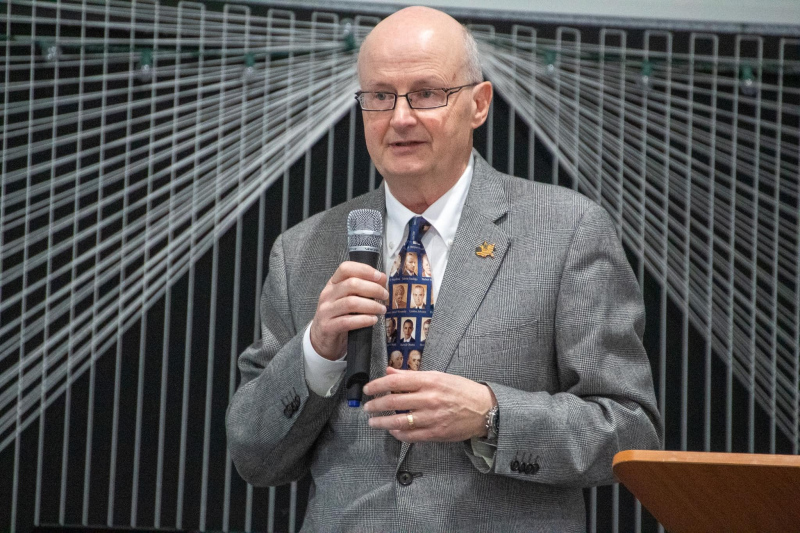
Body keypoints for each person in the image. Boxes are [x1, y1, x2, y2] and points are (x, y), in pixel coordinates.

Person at [226, 6, 661, 532]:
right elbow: (253, 454)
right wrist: (316, 353)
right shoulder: (303, 251)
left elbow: (629, 432)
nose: (400, 117)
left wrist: (491, 415)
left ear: (479, 104)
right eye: (380, 96)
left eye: (427, 93)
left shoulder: (566, 231)